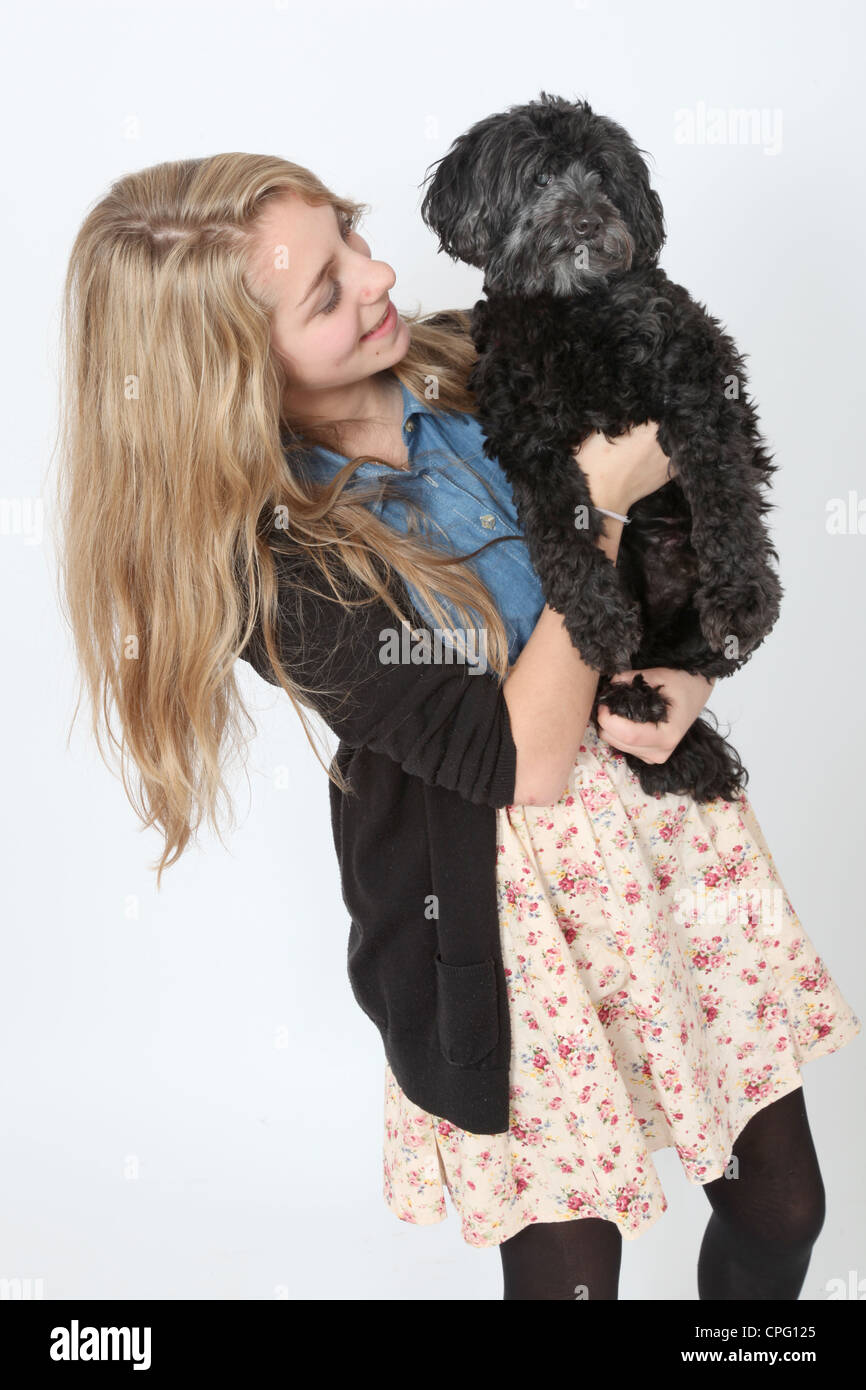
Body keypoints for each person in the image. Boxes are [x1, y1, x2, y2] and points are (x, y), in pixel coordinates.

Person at [55, 153, 861, 1301]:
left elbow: (682, 483)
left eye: (351, 237)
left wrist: (690, 666)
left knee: (784, 1206)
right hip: (504, 930)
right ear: (229, 371)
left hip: (667, 850)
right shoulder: (281, 574)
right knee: (571, 1280)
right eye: (325, 293)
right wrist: (597, 503)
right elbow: (520, 760)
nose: (379, 275)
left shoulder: (486, 366)